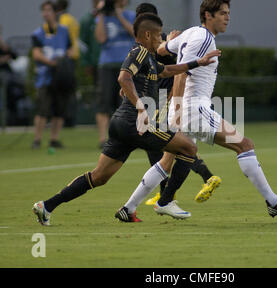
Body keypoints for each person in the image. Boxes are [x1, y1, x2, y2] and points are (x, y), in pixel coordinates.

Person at [121, 0, 277, 220]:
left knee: (166, 161)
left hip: (187, 108)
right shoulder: (203, 39)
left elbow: (160, 51)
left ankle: (129, 208)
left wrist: (171, 42)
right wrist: (177, 110)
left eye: (228, 14)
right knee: (244, 145)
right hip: (193, 109)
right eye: (222, 14)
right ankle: (273, 202)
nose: (227, 18)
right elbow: (181, 73)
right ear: (208, 15)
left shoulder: (192, 33)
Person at [32, 12, 221, 226]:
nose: (161, 40)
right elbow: (123, 77)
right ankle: (166, 200)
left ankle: (46, 206)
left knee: (99, 177)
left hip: (121, 124)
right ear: (147, 35)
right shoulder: (139, 51)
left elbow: (167, 70)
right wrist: (141, 108)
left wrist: (198, 62)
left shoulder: (149, 58)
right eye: (159, 36)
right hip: (135, 122)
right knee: (189, 148)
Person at [129, 3, 221, 207]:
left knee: (165, 144)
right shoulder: (161, 38)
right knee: (169, 145)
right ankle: (171, 192)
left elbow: (179, 70)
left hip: (162, 99)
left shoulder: (151, 40)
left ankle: (187, 186)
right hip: (161, 97)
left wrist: (173, 99)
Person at [95, 0, 136, 149]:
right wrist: (102, 13)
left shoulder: (130, 15)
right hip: (106, 62)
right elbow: (100, 38)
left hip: (126, 63)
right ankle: (102, 138)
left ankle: (125, 135)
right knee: (104, 101)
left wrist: (119, 15)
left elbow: (135, 33)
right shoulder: (102, 17)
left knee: (126, 100)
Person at [30, 0, 73, 149]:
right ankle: (37, 139)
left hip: (60, 77)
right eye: (44, 10)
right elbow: (36, 54)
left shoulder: (64, 30)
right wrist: (53, 63)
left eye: (48, 10)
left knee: (59, 109)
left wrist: (63, 61)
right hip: (45, 76)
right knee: (43, 108)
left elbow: (70, 50)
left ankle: (54, 139)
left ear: (55, 13)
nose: (45, 13)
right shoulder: (38, 33)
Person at [79, 0, 104, 86]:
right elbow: (82, 43)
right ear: (94, 3)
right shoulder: (87, 20)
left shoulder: (108, 17)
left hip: (107, 61)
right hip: (94, 62)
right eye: (98, 2)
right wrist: (86, 62)